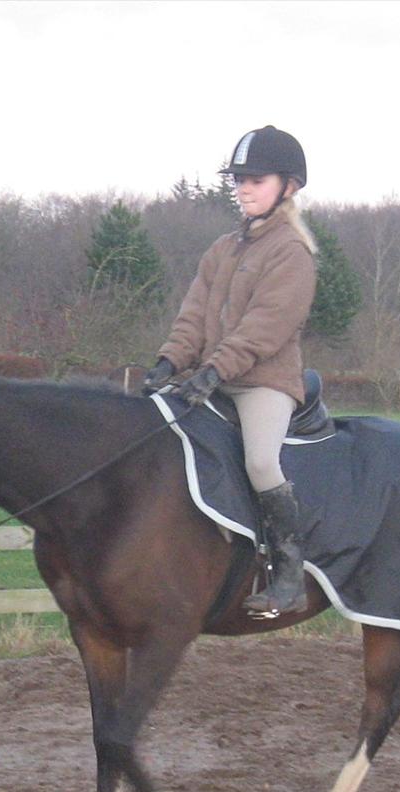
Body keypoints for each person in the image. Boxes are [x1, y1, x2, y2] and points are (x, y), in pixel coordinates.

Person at [143, 125, 318, 617]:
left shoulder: (291, 252)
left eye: (255, 179)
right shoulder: (221, 249)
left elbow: (266, 327)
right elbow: (194, 316)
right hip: (208, 375)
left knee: (261, 462)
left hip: (262, 382)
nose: (242, 188)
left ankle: (288, 574)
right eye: (238, 179)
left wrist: (214, 372)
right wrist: (170, 361)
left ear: (289, 186)